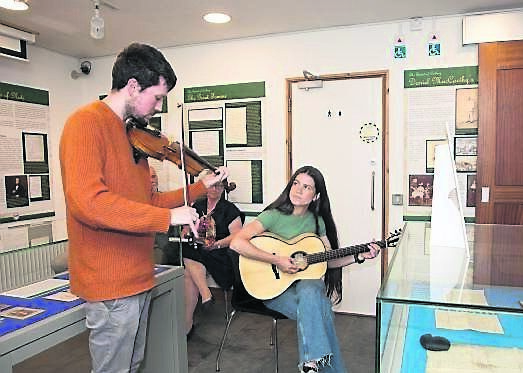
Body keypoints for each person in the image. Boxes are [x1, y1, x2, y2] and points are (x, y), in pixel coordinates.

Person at [59, 42, 229, 373]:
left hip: (137, 277)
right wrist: (166, 218)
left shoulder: (130, 136)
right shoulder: (85, 124)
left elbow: (143, 205)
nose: (158, 107)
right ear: (133, 86)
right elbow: (88, 203)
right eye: (158, 97)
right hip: (110, 283)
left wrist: (198, 188)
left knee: (131, 366)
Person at [230, 165, 379, 373]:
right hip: (274, 289)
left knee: (310, 289)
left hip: (307, 288)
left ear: (316, 195)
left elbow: (327, 260)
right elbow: (237, 243)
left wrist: (359, 256)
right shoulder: (273, 215)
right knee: (322, 311)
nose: (298, 190)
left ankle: (310, 365)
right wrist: (277, 260)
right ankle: (319, 364)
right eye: (296, 183)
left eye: (306, 187)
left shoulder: (317, 222)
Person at [180, 180, 243, 338]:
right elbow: (185, 230)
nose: (214, 189)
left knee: (190, 265)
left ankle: (187, 325)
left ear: (223, 189)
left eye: (218, 186)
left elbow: (237, 236)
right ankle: (204, 296)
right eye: (211, 185)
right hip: (198, 252)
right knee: (190, 257)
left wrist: (217, 244)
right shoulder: (197, 206)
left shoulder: (229, 209)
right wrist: (189, 232)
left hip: (220, 254)